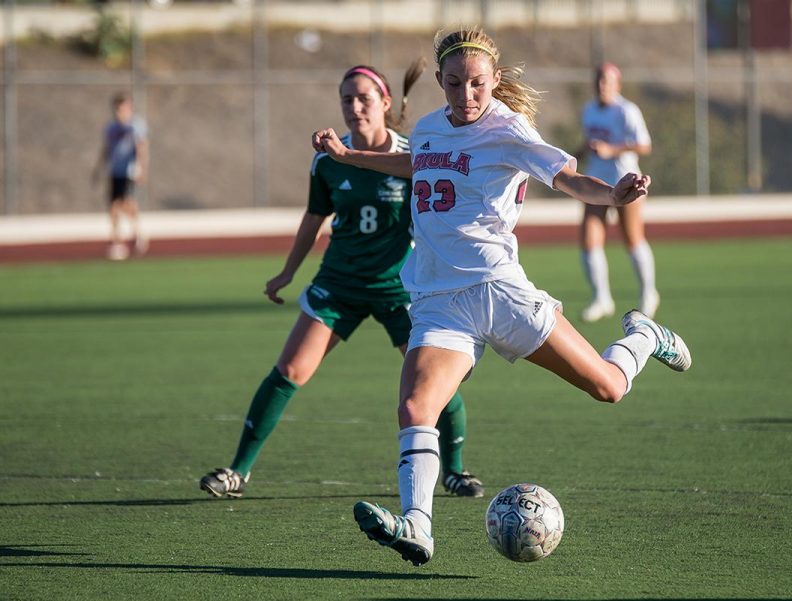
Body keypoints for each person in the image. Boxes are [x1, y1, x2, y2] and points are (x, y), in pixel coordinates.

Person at [311, 27, 692, 567]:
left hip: (499, 292)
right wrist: (350, 156)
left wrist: (612, 194)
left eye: (477, 84)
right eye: (454, 84)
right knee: (416, 407)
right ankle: (417, 526)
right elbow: (416, 163)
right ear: (440, 82)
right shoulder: (426, 130)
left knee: (608, 389)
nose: (466, 96)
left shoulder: (509, 130)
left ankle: (643, 336)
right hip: (440, 298)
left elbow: (568, 179)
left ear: (493, 81)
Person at [199, 62, 484, 501]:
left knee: (433, 382)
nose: (354, 107)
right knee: (290, 369)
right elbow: (315, 216)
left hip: (399, 288)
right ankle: (238, 471)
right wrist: (287, 272)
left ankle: (456, 471)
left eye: (363, 98)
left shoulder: (413, 157)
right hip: (340, 283)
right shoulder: (327, 160)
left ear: (385, 103)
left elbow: (437, 217)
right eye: (346, 99)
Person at [578, 63, 658, 321]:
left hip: (624, 181)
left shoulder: (627, 110)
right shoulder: (589, 110)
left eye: (608, 81)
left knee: (632, 238)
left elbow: (644, 145)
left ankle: (649, 293)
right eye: (600, 81)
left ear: (617, 85)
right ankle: (601, 297)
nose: (603, 86)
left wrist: (611, 150)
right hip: (597, 183)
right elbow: (590, 143)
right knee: (589, 240)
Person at [92, 92, 149, 261]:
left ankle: (132, 236)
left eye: (123, 108)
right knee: (115, 205)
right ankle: (120, 240)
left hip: (129, 171)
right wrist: (98, 169)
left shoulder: (135, 125)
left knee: (121, 204)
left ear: (130, 108)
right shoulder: (111, 127)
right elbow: (106, 149)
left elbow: (142, 146)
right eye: (118, 109)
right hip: (115, 170)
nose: (120, 112)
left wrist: (141, 167)